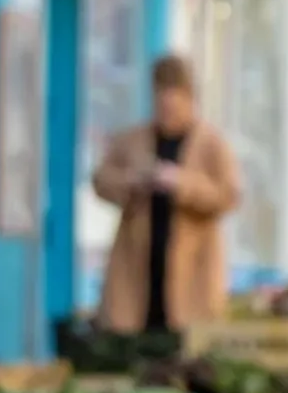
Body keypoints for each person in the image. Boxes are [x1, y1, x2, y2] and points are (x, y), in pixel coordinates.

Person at [92, 55, 240, 332]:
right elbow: (101, 180)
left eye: (174, 105)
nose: (167, 113)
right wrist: (134, 181)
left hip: (191, 277)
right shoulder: (133, 140)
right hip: (138, 274)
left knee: (187, 356)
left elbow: (228, 195)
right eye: (161, 104)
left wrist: (181, 183)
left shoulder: (212, 144)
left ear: (189, 98)